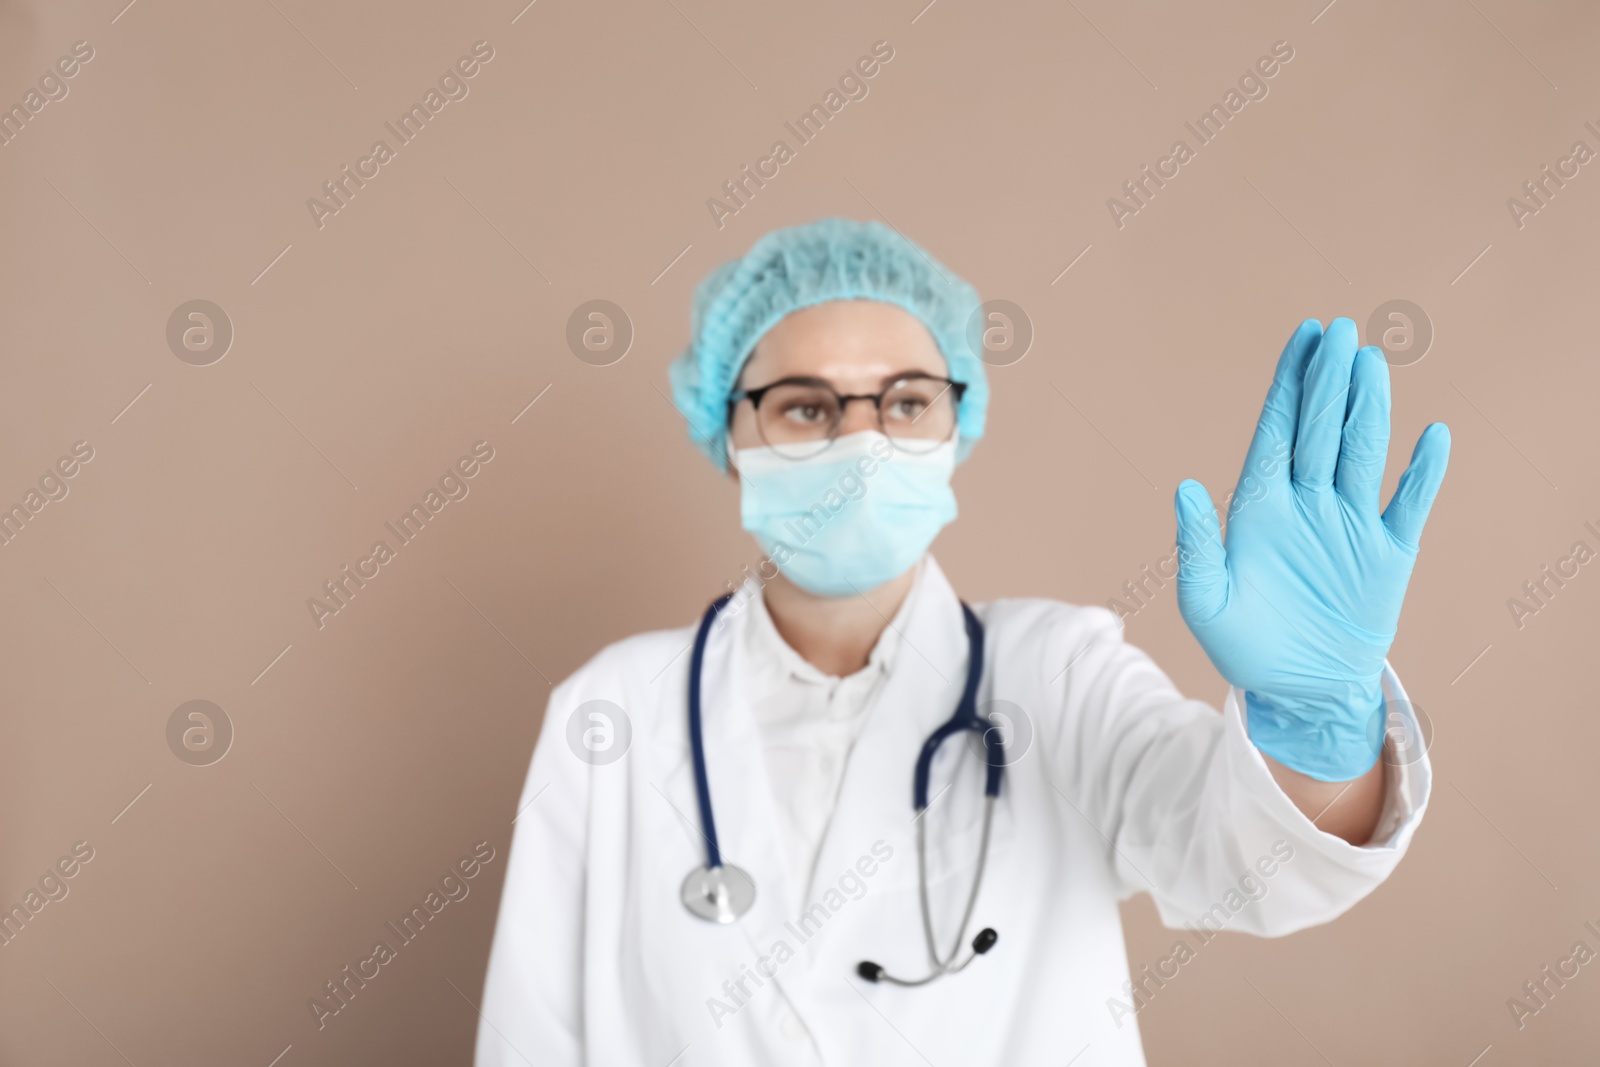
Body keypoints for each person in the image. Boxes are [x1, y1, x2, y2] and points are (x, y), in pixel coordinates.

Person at [475, 218, 1451, 1066]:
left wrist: (1316, 723)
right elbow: (531, 1034)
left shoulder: (1056, 673)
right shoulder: (612, 711)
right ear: (728, 433)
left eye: (904, 401)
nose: (860, 441)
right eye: (806, 407)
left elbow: (1236, 864)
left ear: (956, 423)